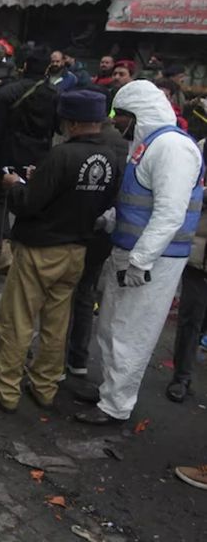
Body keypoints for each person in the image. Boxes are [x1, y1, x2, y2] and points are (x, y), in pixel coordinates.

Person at [0, 90, 124, 412]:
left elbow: (28, 204)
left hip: (40, 251)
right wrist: (40, 182)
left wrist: (15, 185)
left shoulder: (61, 155)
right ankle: (45, 388)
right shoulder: (111, 158)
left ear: (72, 122)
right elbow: (101, 201)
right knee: (56, 324)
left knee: (17, 321)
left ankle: (5, 391)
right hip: (77, 251)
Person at [75, 80, 204, 425]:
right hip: (131, 252)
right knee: (112, 326)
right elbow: (138, 202)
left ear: (137, 114)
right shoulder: (148, 145)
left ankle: (116, 406)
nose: (116, 123)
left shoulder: (172, 148)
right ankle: (109, 391)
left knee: (132, 332)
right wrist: (110, 219)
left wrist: (141, 260)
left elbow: (169, 213)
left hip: (154, 261)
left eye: (120, 116)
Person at [0, 49, 59, 278]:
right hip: (40, 156)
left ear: (24, 66)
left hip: (10, 154)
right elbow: (58, 127)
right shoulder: (55, 95)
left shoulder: (9, 92)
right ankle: (24, 255)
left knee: (0, 200)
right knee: (32, 201)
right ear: (47, 68)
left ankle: (5, 248)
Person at [63, 120, 129, 379]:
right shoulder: (122, 144)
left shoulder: (94, 143)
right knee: (85, 293)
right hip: (103, 233)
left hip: (81, 229)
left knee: (64, 294)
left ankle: (56, 361)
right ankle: (77, 358)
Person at [167, 150, 207, 402]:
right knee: (191, 317)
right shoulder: (197, 152)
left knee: (199, 320)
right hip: (199, 258)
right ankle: (181, 376)